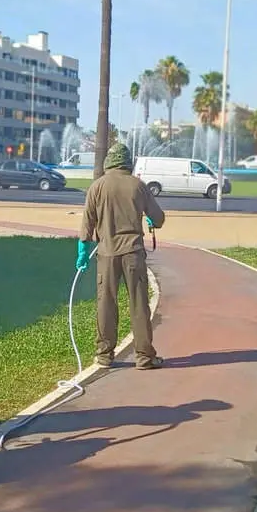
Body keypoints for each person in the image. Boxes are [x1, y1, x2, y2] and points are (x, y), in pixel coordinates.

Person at [78, 143, 166, 370]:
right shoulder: (138, 186)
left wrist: (83, 252)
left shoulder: (97, 187)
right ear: (128, 162)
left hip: (106, 254)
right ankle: (144, 356)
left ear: (109, 161)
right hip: (133, 254)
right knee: (139, 304)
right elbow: (158, 218)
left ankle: (105, 354)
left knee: (106, 303)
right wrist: (149, 220)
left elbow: (87, 223)